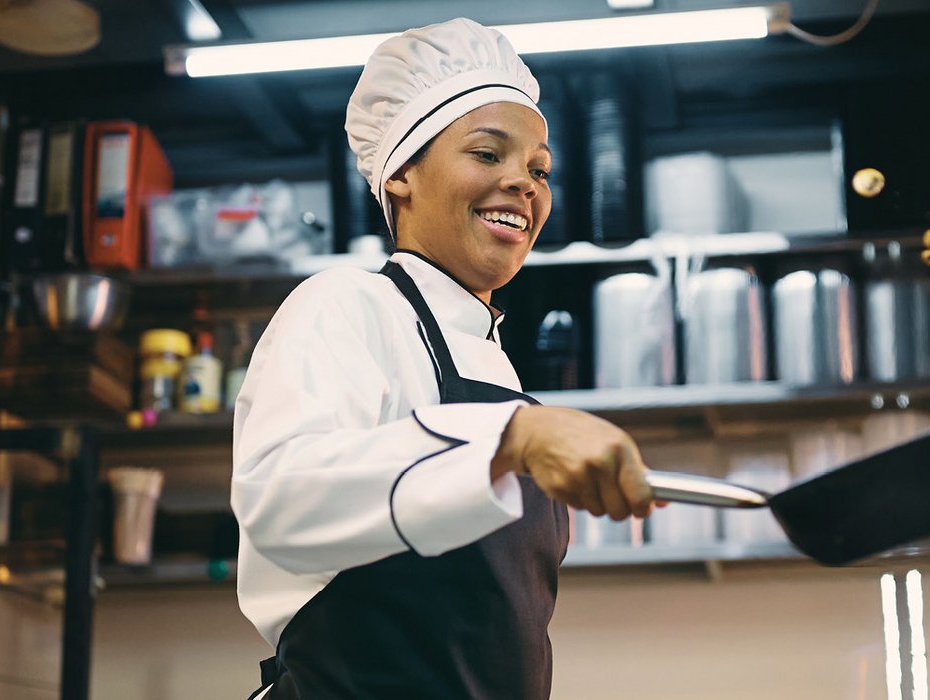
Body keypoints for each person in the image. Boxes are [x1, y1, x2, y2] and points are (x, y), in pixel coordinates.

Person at [233, 18, 656, 700]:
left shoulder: (501, 371)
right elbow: (280, 499)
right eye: (489, 154)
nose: (524, 183)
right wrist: (511, 440)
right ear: (401, 174)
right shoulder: (345, 305)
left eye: (538, 168)